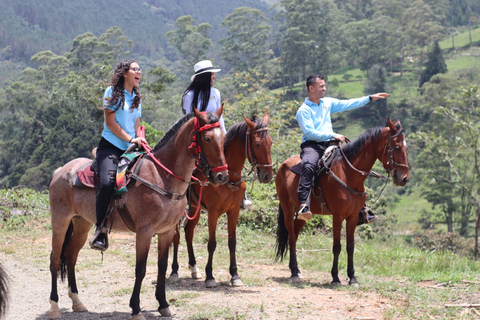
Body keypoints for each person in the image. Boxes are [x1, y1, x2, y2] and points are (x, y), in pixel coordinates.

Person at [296, 74, 389, 223]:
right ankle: (303, 206)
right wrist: (333, 134)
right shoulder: (303, 110)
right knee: (308, 165)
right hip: (313, 145)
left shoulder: (327, 103)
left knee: (352, 166)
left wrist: (369, 98)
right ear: (311, 88)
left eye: (324, 86)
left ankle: (361, 209)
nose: (324, 89)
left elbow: (348, 103)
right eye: (321, 86)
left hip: (331, 145)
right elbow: (309, 133)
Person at [90, 59, 147, 251]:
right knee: (107, 182)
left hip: (131, 148)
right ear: (125, 73)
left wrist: (139, 138)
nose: (139, 72)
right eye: (135, 69)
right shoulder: (112, 93)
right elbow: (111, 122)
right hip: (111, 146)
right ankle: (100, 230)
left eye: (140, 69)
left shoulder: (136, 97)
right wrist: (130, 140)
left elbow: (135, 125)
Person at [181, 60, 252, 209]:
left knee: (231, 159)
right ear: (205, 76)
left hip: (215, 136)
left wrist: (224, 136)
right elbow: (187, 119)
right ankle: (184, 198)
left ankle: (241, 195)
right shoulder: (189, 95)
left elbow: (220, 118)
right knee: (187, 165)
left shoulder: (216, 93)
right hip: (197, 137)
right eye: (212, 74)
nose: (214, 77)